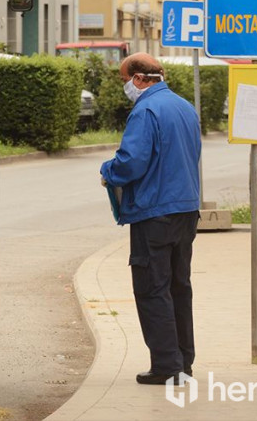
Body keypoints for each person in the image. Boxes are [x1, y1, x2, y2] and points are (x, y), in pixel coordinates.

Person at [99, 52, 202, 385]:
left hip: (154, 213)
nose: (125, 87)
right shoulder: (185, 107)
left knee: (152, 289)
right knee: (179, 287)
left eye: (124, 80)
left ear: (139, 79)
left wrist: (107, 171)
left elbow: (131, 162)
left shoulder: (145, 111)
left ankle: (167, 366)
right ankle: (183, 363)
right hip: (186, 210)